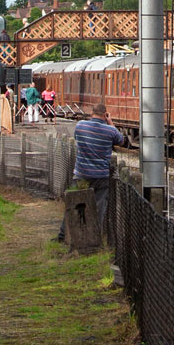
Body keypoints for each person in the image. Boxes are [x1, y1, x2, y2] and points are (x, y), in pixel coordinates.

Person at [56, 102, 128, 243]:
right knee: (99, 209)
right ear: (105, 114)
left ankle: (64, 235)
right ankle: (94, 238)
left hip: (82, 174)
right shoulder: (110, 131)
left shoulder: (81, 126)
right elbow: (121, 141)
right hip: (101, 176)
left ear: (91, 113)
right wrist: (110, 122)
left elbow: (77, 138)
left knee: (73, 203)